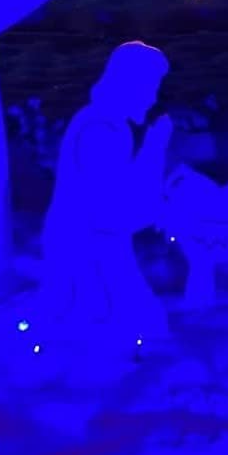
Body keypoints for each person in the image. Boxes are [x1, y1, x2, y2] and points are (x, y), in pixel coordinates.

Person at [40, 41, 173, 343]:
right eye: (150, 87)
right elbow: (109, 208)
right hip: (84, 247)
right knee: (112, 326)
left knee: (144, 323)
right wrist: (154, 149)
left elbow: (121, 192)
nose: (153, 98)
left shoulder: (109, 124)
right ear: (130, 83)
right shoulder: (101, 131)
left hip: (97, 241)